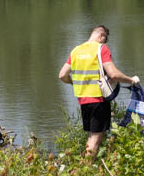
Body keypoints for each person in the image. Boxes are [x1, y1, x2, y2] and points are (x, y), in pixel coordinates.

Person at [59, 24, 138, 157]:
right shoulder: (101, 48)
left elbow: (62, 75)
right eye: (105, 39)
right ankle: (86, 169)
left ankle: (85, 167)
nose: (105, 42)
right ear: (101, 36)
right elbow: (113, 74)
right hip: (98, 99)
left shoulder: (76, 50)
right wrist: (131, 80)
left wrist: (74, 83)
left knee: (92, 136)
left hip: (83, 100)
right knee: (96, 138)